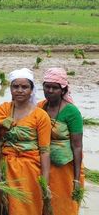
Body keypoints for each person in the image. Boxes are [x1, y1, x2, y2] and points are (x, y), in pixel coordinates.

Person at [0, 68, 51, 215]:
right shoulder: (3, 110)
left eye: (25, 87)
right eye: (15, 86)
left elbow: (44, 150)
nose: (20, 90)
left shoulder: (40, 116)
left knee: (28, 207)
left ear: (31, 90)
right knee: (4, 207)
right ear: (10, 89)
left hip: (30, 171)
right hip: (6, 168)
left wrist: (45, 181)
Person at [38, 67, 84, 215]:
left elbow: (77, 146)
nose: (50, 90)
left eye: (55, 88)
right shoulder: (40, 107)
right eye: (47, 86)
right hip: (41, 164)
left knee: (62, 205)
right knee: (41, 203)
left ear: (63, 90)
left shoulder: (72, 112)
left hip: (64, 168)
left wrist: (76, 180)